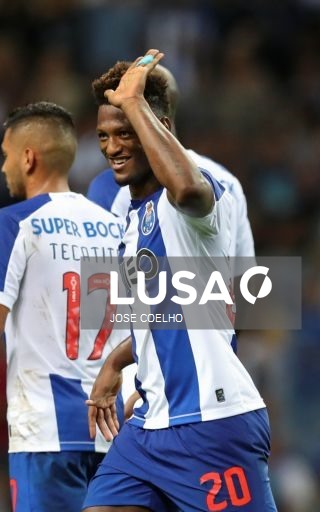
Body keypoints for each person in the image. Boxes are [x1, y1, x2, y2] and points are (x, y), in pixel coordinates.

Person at [82, 50, 276, 511]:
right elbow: (164, 308)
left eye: (125, 131)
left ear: (158, 126)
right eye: (103, 136)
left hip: (212, 421)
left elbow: (246, 295)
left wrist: (134, 104)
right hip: (149, 425)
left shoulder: (197, 187)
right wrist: (120, 361)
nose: (111, 148)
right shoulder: (129, 214)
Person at [0, 101, 128, 512]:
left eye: (5, 156)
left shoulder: (16, 221)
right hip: (114, 431)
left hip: (46, 432)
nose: (2, 168)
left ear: (28, 157)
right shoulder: (115, 227)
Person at [86, 64, 256, 417]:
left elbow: (237, 294)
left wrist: (162, 379)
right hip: (143, 372)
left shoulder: (206, 185)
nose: (112, 145)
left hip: (180, 382)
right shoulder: (113, 183)